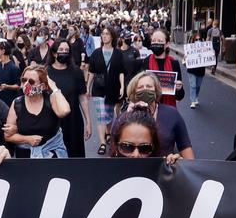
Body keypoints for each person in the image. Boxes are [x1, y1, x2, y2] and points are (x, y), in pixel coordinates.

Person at [4, 64, 71, 159]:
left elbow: (65, 111)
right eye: (24, 80)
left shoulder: (50, 99)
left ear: (42, 86)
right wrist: (27, 139)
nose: (26, 84)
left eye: (31, 81)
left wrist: (55, 88)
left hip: (52, 154)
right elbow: (8, 136)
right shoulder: (17, 103)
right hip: (25, 156)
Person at [122, 72, 194, 159]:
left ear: (156, 90)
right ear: (133, 92)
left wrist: (187, 166)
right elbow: (114, 152)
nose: (145, 89)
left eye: (149, 87)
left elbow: (185, 147)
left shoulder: (172, 114)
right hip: (133, 169)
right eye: (140, 87)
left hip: (163, 170)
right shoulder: (124, 118)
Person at [47, 38, 91, 157]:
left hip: (73, 121)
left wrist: (88, 122)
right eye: (61, 49)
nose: (64, 52)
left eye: (67, 50)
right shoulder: (46, 72)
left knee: (74, 155)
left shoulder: (76, 72)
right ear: (54, 53)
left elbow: (82, 97)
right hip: (52, 122)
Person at [87, 26, 127, 155]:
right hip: (98, 89)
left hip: (113, 88)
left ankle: (108, 132)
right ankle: (103, 143)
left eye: (107, 34)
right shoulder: (96, 53)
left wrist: (122, 86)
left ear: (112, 37)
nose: (104, 36)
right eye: (103, 34)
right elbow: (91, 72)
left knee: (109, 115)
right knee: (101, 116)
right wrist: (88, 87)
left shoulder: (118, 53)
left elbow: (121, 71)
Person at [140, 29, 184, 108]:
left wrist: (179, 89)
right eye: (153, 41)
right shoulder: (145, 62)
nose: (156, 43)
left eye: (159, 41)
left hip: (169, 110)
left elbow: (180, 96)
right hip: (149, 110)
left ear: (167, 44)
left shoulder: (174, 63)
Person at [0, 39, 22, 109]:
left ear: (3, 51)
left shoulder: (14, 68)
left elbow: (18, 85)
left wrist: (7, 86)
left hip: (9, 102)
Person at [185, 29, 206, 109]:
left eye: (199, 39)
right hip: (192, 69)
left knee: (198, 85)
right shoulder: (190, 48)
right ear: (193, 40)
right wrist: (186, 58)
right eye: (196, 39)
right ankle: (192, 101)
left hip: (200, 70)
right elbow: (185, 58)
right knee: (193, 85)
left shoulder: (204, 48)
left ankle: (196, 96)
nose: (198, 41)